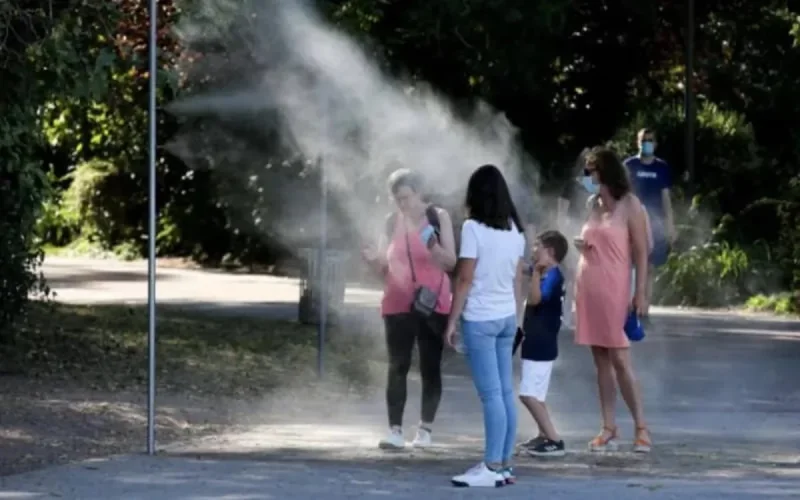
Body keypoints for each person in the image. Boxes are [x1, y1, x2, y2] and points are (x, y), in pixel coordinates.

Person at [361, 168, 457, 451]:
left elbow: (451, 262)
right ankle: (395, 430)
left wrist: (431, 243)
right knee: (397, 365)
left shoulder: (437, 217)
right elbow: (384, 266)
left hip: (432, 302)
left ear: (419, 193)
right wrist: (372, 261)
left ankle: (425, 430)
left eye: (406, 197)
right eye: (397, 199)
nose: (402, 204)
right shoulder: (391, 221)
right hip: (397, 300)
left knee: (430, 366)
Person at [444, 164, 526, 488]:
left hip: (479, 319)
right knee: (505, 392)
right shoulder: (515, 232)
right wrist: (518, 319)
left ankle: (491, 466)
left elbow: (464, 278)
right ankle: (504, 465)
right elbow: (518, 279)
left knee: (491, 395)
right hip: (506, 317)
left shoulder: (473, 229)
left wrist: (451, 321)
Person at [574, 147, 652, 454]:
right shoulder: (592, 204)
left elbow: (642, 252)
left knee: (620, 358)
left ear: (604, 172)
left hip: (615, 287)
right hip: (588, 284)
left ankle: (641, 427)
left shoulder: (630, 205)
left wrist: (641, 292)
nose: (587, 178)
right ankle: (608, 426)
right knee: (600, 361)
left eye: (590, 171)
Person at [517, 230, 568, 457]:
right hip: (537, 343)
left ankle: (555, 440)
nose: (533, 250)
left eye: (537, 246)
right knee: (536, 396)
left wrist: (535, 273)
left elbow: (536, 299)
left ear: (550, 252)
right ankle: (543, 435)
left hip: (541, 345)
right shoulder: (548, 273)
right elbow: (521, 267)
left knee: (527, 395)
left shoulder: (552, 276)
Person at [623, 128, 676, 315]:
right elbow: (620, 194)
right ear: (637, 142)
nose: (647, 143)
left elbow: (666, 198)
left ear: (655, 144)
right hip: (631, 221)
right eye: (644, 140)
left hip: (655, 224)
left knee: (649, 267)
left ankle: (644, 306)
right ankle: (628, 304)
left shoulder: (661, 167)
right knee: (629, 266)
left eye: (650, 140)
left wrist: (670, 225)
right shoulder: (629, 165)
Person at [556, 151, 596, 328]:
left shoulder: (597, 186)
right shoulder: (571, 185)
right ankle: (566, 314)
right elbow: (562, 210)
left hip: (592, 233)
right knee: (573, 276)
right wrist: (561, 231)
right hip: (573, 232)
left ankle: (585, 315)